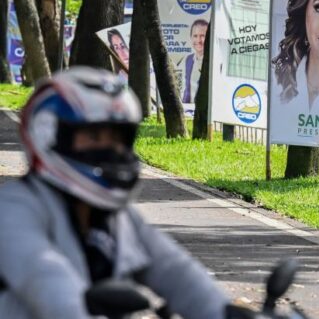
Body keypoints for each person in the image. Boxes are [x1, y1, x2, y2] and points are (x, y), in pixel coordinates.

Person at [0, 68, 233, 318]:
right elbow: (47, 279)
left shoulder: (120, 219)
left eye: (116, 138)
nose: (110, 149)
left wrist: (227, 313)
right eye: (93, 136)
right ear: (49, 135)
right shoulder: (13, 209)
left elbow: (177, 271)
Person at [182, 19, 209, 104]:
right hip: (189, 111)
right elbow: (187, 88)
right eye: (195, 36)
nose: (198, 40)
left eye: (202, 36)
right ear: (191, 37)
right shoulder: (188, 60)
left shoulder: (214, 61)